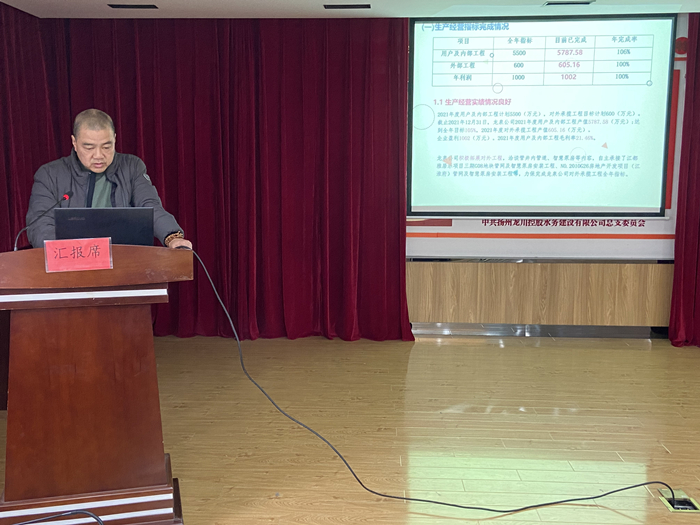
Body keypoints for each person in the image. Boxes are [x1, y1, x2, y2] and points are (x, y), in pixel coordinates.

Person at [26, 109, 192, 250]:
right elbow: (40, 224)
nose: (99, 155)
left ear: (115, 139)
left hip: (125, 262)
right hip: (71, 263)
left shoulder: (131, 167)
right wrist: (67, 254)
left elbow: (150, 207)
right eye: (89, 147)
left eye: (107, 146)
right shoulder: (49, 174)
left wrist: (172, 236)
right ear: (74, 143)